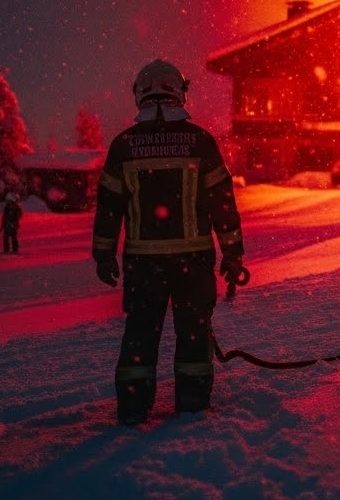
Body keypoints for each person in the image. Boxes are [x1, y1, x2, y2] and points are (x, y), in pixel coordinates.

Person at [92, 59, 246, 425]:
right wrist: (233, 253)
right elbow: (222, 201)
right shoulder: (200, 142)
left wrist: (103, 254)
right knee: (193, 335)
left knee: (140, 338)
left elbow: (109, 205)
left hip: (143, 265)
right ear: (179, 92)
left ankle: (133, 408)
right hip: (193, 264)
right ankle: (191, 405)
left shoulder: (124, 146)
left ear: (139, 94)